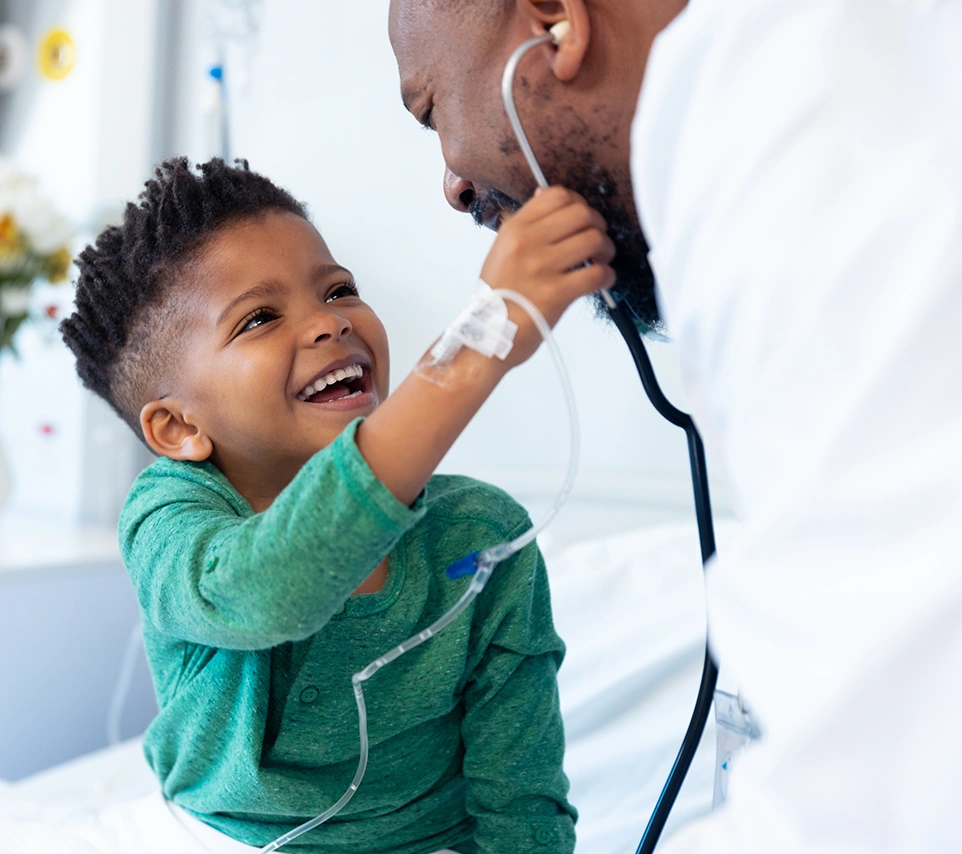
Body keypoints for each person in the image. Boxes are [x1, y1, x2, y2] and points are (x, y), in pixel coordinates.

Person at [389, 1, 962, 852]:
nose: (455, 185)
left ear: (555, 21)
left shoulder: (783, 122)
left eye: (432, 107)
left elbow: (870, 791)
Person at [51, 156, 615, 853]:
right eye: (258, 317)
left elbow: (520, 796)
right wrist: (477, 345)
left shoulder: (481, 535)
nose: (329, 324)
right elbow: (268, 589)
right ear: (179, 428)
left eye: (339, 289)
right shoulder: (167, 520)